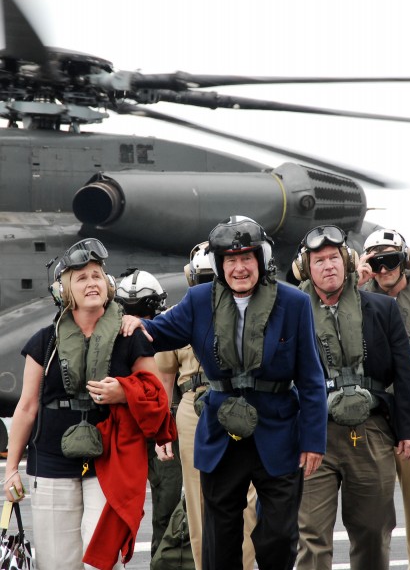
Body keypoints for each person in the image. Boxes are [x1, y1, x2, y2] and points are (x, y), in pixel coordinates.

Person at [122, 216, 328, 570]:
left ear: (260, 260)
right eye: (230, 260)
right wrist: (132, 324)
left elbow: (311, 378)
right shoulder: (200, 300)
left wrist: (314, 441)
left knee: (279, 536)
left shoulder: (292, 302)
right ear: (219, 265)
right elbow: (159, 333)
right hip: (221, 434)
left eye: (247, 258)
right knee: (221, 537)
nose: (239, 268)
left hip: (278, 432)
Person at [3, 238, 176, 570]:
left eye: (97, 275)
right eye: (81, 278)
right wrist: (11, 470)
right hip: (51, 463)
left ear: (108, 284)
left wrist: (123, 392)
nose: (91, 283)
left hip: (109, 463)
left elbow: (155, 394)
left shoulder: (130, 337)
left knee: (102, 562)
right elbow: (26, 408)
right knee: (56, 562)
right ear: (65, 289)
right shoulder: (44, 341)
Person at [291, 224, 410, 570]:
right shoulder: (291, 312)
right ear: (307, 268)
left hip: (371, 430)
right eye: (318, 260)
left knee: (372, 531)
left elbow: (404, 373)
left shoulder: (381, 309)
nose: (328, 266)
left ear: (347, 262)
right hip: (313, 435)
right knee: (312, 535)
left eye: (334, 257)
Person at [155, 242, 257, 570]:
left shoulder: (249, 311)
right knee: (199, 505)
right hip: (192, 406)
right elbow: (166, 379)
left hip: (241, 403)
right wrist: (162, 430)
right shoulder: (182, 314)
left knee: (249, 502)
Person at [358, 228, 410, 570]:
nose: (384, 270)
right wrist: (356, 281)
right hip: (376, 415)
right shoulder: (354, 302)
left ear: (406, 261)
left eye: (391, 261)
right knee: (374, 510)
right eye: (376, 262)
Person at [115, 268, 183, 561]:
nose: (136, 317)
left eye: (142, 309)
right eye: (130, 310)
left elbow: (171, 383)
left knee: (166, 510)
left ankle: (161, 563)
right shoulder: (111, 338)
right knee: (116, 509)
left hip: (160, 432)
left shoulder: (170, 335)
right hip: (127, 431)